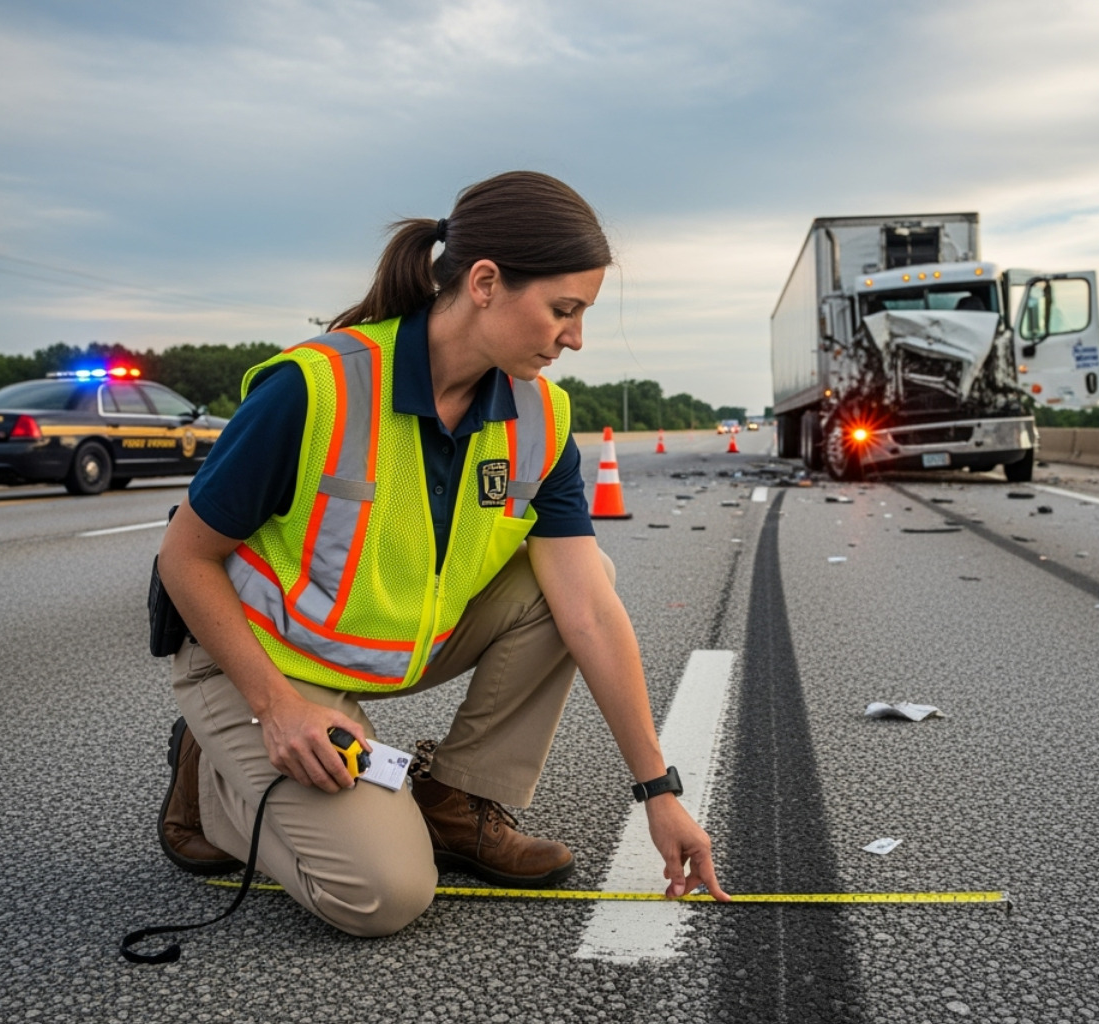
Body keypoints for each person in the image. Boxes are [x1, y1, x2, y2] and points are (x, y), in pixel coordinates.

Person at [154, 170, 728, 938]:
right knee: (382, 895)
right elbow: (183, 558)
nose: (575, 338)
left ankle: (454, 798)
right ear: (485, 282)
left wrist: (658, 789)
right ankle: (212, 779)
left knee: (578, 583)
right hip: (261, 661)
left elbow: (587, 610)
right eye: (564, 310)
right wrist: (278, 707)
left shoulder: (541, 417)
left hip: (383, 653)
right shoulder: (315, 386)